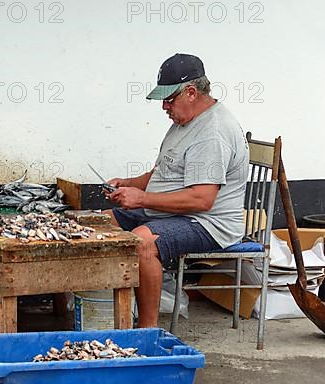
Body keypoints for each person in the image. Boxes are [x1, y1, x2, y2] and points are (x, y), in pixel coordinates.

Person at [104, 53, 249, 328]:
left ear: (191, 92)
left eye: (169, 99)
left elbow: (202, 199)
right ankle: (107, 314)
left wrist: (142, 199)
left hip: (208, 223)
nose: (164, 106)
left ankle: (146, 331)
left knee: (143, 243)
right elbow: (160, 174)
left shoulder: (212, 133)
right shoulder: (183, 122)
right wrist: (127, 184)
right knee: (100, 223)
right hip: (169, 210)